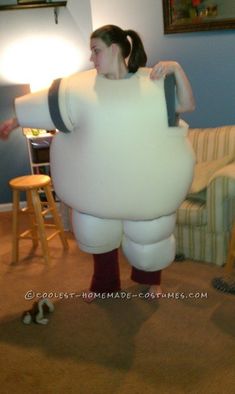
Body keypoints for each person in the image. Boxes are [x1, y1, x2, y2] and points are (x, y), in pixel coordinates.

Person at [0, 25, 195, 302]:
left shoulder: (154, 80)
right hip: (100, 183)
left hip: (144, 182)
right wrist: (15, 121)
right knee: (98, 231)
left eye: (96, 51)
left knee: (149, 234)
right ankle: (104, 285)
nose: (91, 58)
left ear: (115, 48)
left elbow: (187, 105)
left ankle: (151, 281)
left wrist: (176, 68)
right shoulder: (81, 88)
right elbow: (47, 104)